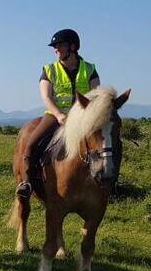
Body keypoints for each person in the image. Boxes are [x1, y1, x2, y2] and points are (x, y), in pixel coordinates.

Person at [16, 28, 100, 198]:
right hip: (55, 116)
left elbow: (96, 96)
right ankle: (26, 184)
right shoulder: (49, 70)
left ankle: (107, 179)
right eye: (55, 46)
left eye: (59, 45)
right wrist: (59, 115)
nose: (55, 49)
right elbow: (46, 97)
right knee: (31, 144)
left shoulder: (90, 69)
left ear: (73, 47)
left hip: (82, 118)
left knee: (104, 144)